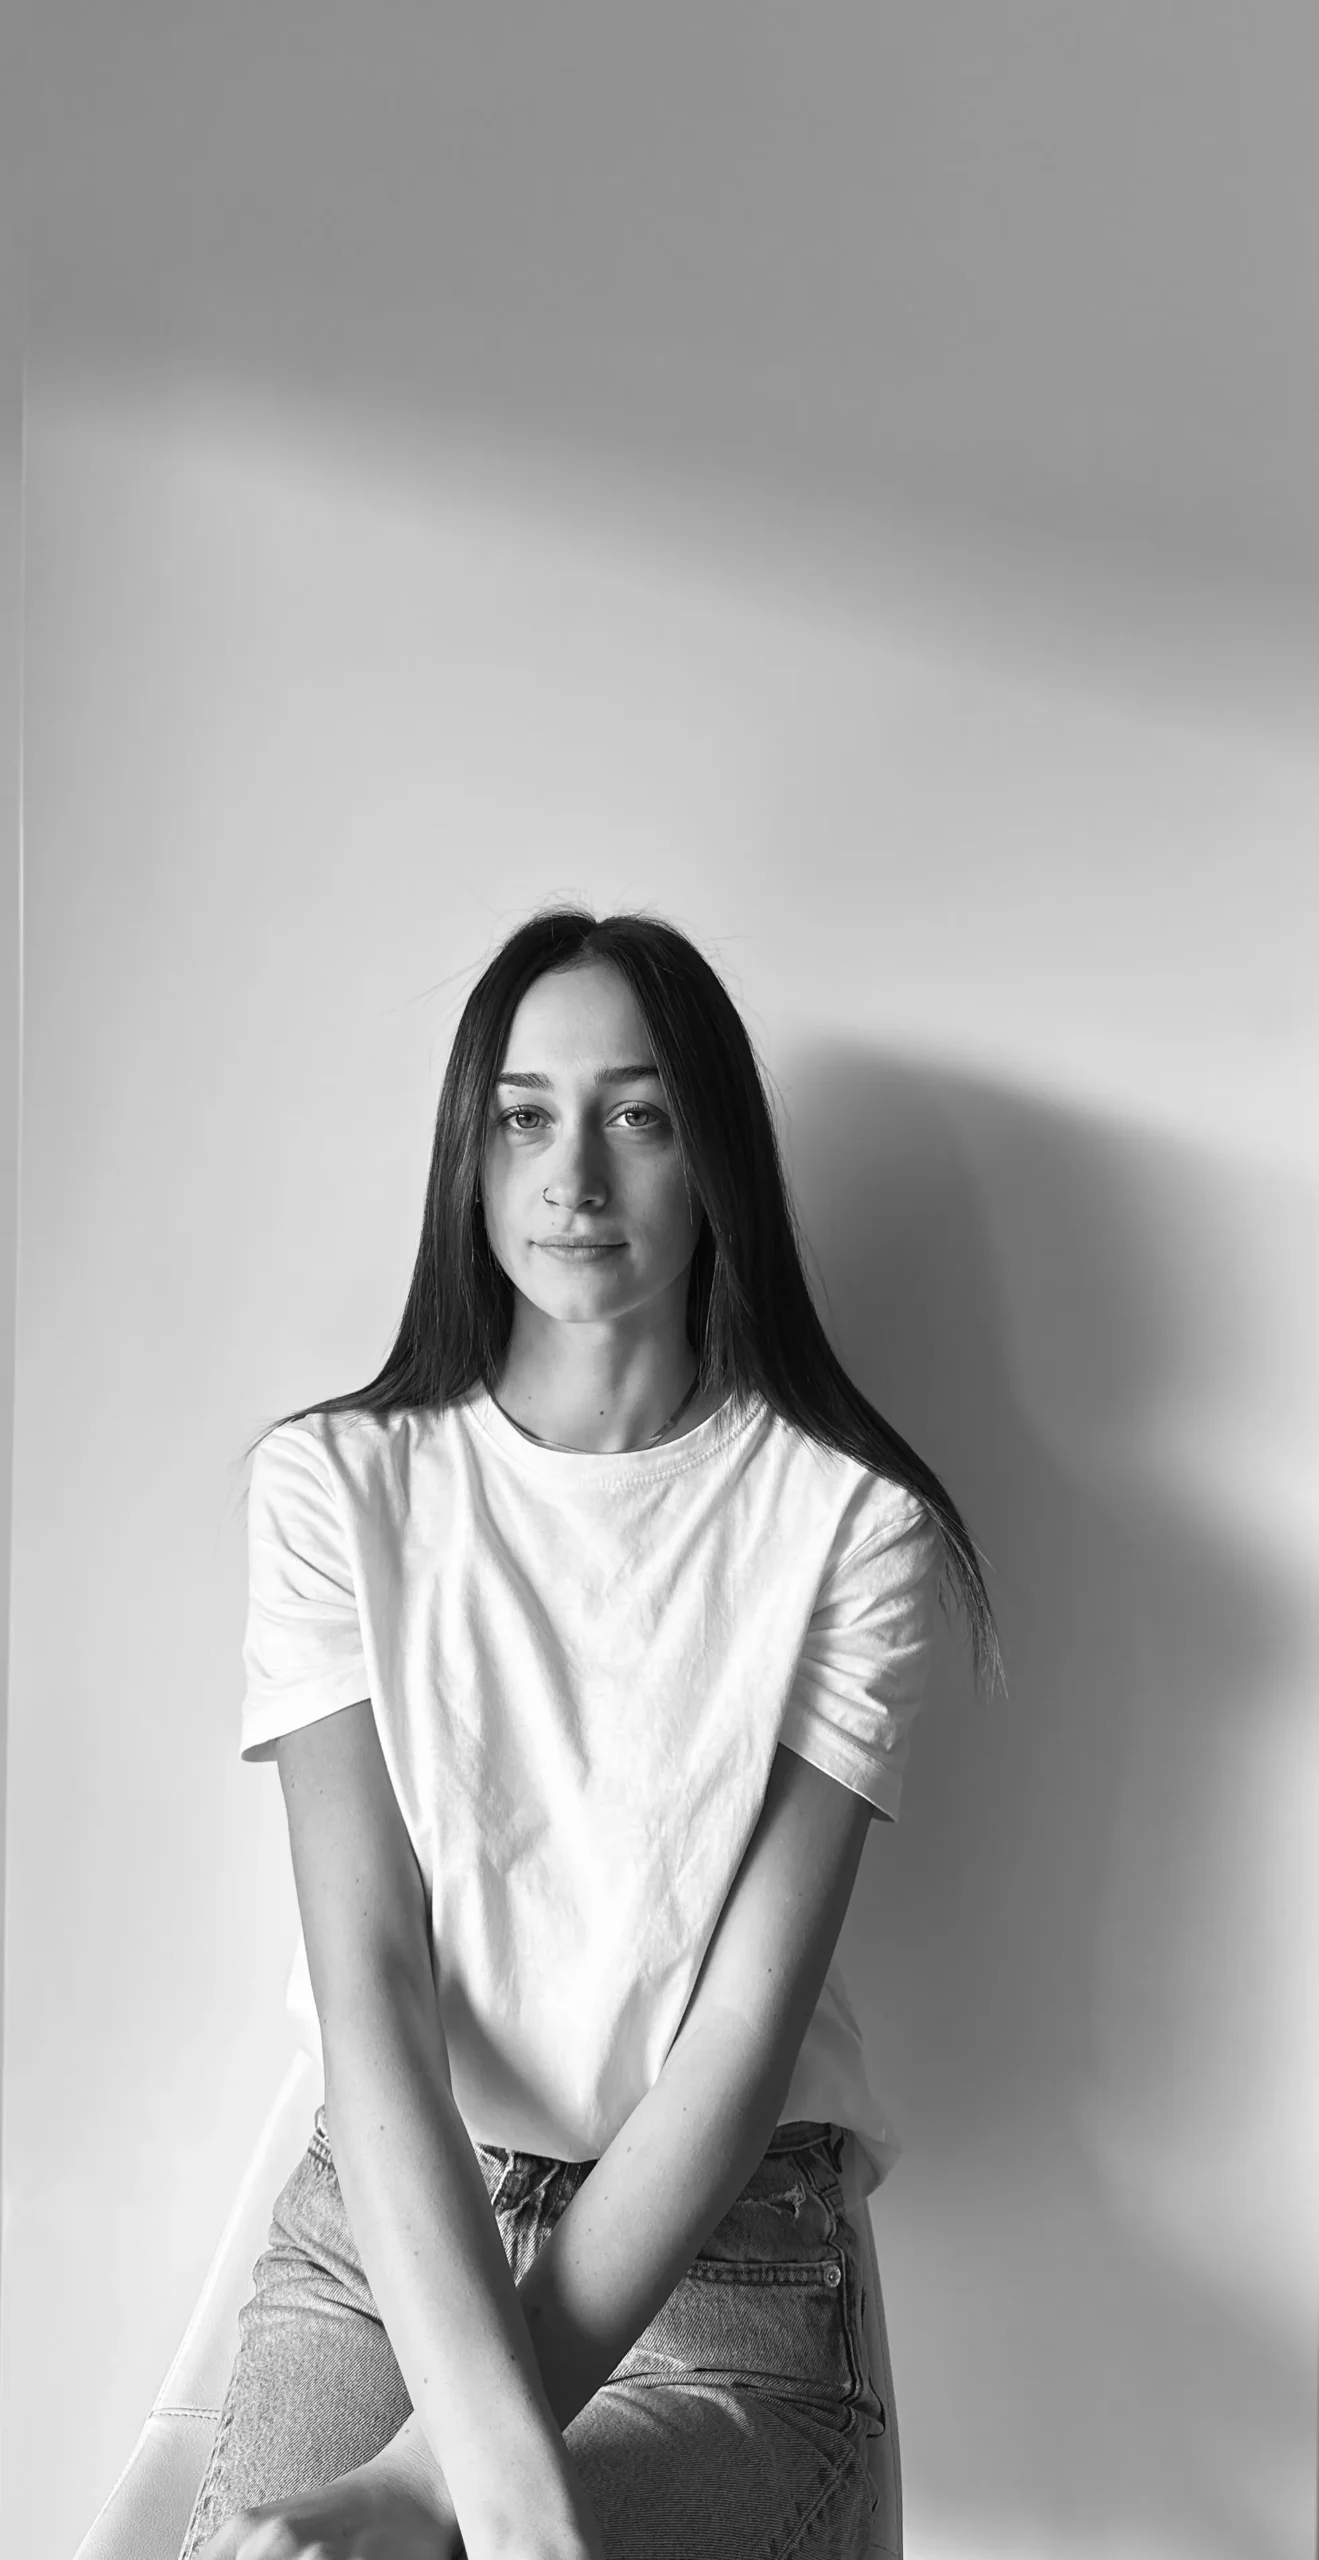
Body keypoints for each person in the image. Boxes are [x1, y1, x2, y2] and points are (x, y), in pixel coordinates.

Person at [183, 906, 999, 2560]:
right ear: (468, 1157)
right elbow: (372, 1992)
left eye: (637, 1115)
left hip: (727, 2260)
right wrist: (459, 2470)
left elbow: (740, 2036)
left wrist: (441, 2488)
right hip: (391, 2236)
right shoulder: (333, 1491)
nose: (572, 1176)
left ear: (715, 1162)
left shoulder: (851, 1523)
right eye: (522, 1116)